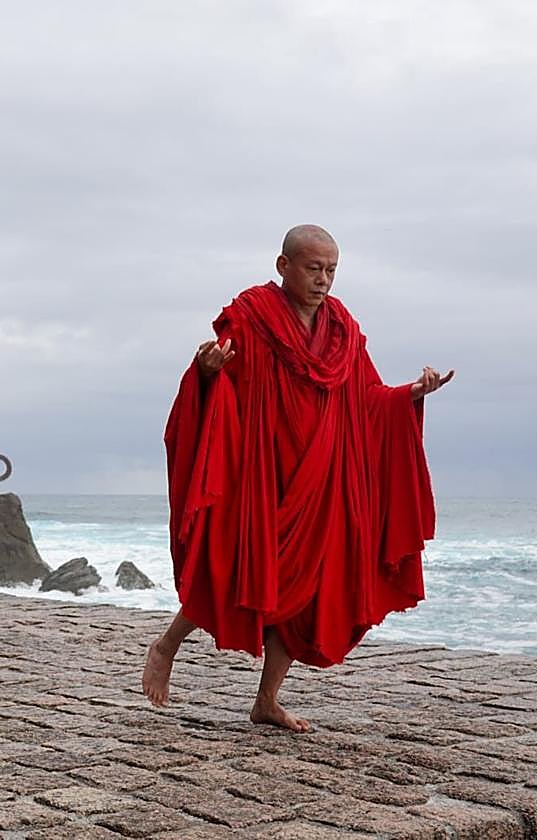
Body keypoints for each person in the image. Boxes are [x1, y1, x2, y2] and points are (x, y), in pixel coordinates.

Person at [141, 224, 453, 732]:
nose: (323, 279)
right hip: (261, 473)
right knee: (232, 568)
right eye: (314, 268)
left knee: (305, 589)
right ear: (284, 266)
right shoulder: (251, 316)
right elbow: (217, 377)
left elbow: (367, 396)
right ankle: (166, 646)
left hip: (320, 479)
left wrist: (409, 395)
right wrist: (208, 371)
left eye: (331, 270)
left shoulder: (342, 328)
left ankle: (266, 700)